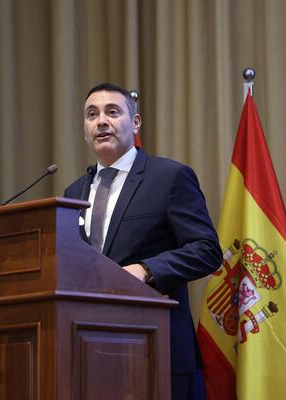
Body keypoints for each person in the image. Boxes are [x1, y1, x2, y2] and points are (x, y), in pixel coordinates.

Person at [64, 83, 222, 399]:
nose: (101, 121)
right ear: (84, 129)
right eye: (92, 115)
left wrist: (145, 270)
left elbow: (207, 250)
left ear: (135, 122)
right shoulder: (73, 192)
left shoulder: (169, 177)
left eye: (112, 112)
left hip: (156, 347)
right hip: (90, 350)